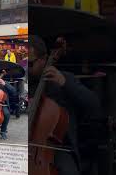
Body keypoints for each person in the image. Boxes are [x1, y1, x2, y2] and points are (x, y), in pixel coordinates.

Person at [29, 36, 101, 175]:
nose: (25, 69)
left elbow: (94, 106)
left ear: (44, 59)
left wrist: (66, 84)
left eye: (30, 64)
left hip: (58, 148)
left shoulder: (64, 79)